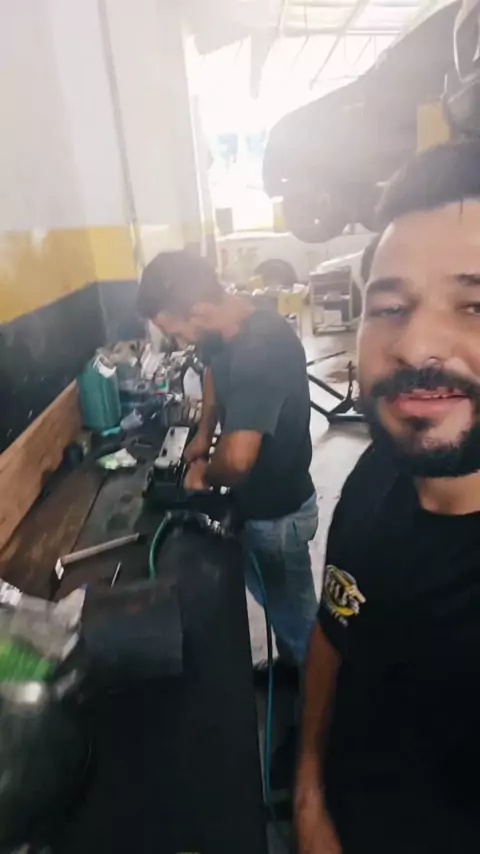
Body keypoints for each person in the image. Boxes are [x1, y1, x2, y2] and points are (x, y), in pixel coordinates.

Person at [296, 138, 480, 854]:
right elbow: (335, 628)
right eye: (392, 307)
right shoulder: (378, 473)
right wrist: (309, 793)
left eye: (474, 304)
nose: (416, 346)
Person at [136, 250, 318, 666]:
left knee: (296, 616)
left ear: (198, 311)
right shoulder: (225, 326)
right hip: (258, 503)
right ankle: (293, 665)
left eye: (175, 331)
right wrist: (204, 434)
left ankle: (317, 692)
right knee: (279, 604)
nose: (178, 342)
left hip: (278, 514)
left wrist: (203, 475)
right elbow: (213, 371)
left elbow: (235, 461)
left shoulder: (261, 348)